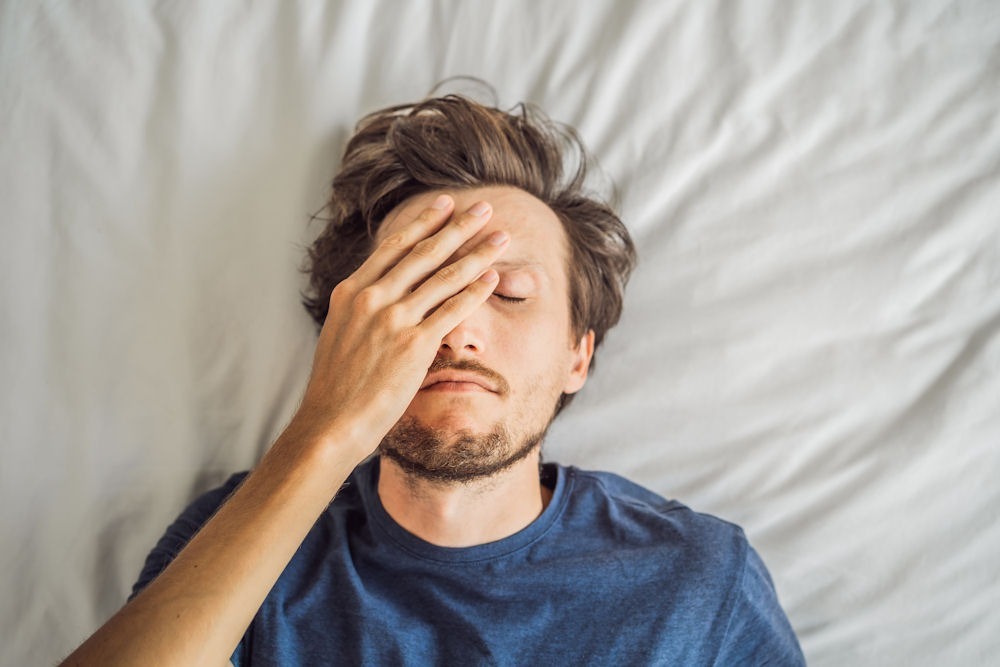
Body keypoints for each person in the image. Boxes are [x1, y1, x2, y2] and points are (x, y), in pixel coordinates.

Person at [62, 94, 804, 665]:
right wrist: (326, 427)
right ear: (349, 336)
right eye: (417, 291)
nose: (457, 329)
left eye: (509, 292)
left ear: (578, 355)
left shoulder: (699, 581)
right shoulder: (237, 540)